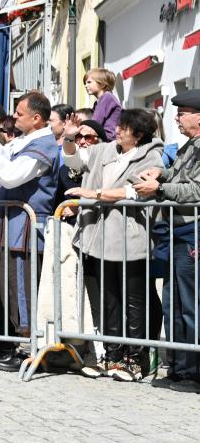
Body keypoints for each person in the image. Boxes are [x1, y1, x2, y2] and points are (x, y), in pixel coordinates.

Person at [62, 108, 164, 380]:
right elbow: (75, 162)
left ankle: (134, 360)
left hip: (130, 237)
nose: (117, 131)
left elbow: (135, 191)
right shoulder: (105, 150)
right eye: (118, 126)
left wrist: (93, 193)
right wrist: (69, 139)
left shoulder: (151, 156)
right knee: (107, 300)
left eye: (124, 128)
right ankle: (112, 356)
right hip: (98, 235)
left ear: (139, 134)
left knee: (133, 301)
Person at [0, 91, 58, 372]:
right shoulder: (26, 140)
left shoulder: (44, 145)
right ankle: (18, 346)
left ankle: (30, 350)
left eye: (20, 114)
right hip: (12, 225)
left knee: (22, 290)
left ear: (36, 118)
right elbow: (6, 159)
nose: (15, 117)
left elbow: (10, 176)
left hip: (26, 228)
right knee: (9, 288)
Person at [134, 89, 200, 385]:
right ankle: (179, 364)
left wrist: (159, 190)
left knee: (191, 303)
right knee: (173, 300)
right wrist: (160, 175)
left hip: (192, 232)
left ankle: (194, 368)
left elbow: (196, 191)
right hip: (177, 231)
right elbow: (177, 175)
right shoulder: (190, 147)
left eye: (183, 112)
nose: (178, 117)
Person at [84, 68, 122, 141]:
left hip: (108, 139)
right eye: (85, 83)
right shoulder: (98, 102)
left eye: (89, 82)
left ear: (102, 84)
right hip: (103, 137)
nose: (86, 85)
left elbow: (95, 122)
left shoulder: (107, 97)